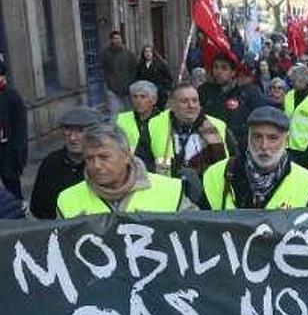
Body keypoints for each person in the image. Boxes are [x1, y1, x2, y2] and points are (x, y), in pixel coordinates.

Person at [56, 123, 196, 218]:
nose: (96, 165)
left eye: (104, 157)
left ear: (127, 156)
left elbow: (197, 235)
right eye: (89, 158)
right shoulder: (67, 200)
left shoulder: (170, 190)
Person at [201, 106, 308, 211]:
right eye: (257, 136)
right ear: (248, 137)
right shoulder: (216, 174)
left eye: (272, 138)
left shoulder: (307, 182)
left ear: (286, 140)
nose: (264, 146)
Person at [144, 83, 236, 181]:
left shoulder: (218, 126)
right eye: (184, 101)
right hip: (169, 189)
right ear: (172, 105)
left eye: (195, 101)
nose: (191, 105)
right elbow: (143, 163)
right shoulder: (154, 125)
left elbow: (233, 162)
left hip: (208, 189)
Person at [30, 108, 103, 219]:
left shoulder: (103, 165)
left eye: (80, 130)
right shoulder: (50, 163)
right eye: (68, 129)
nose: (72, 138)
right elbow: (38, 208)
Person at [198, 53, 265, 150]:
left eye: (224, 68)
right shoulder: (204, 90)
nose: (218, 71)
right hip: (211, 144)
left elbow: (260, 117)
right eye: (215, 67)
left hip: (240, 146)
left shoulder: (247, 91)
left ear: (233, 72)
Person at [117, 81, 162, 167]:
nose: (138, 101)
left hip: (157, 168)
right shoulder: (121, 119)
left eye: (143, 97)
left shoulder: (163, 120)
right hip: (130, 167)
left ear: (154, 100)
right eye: (135, 97)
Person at [0, 60, 28, 198]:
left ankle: (17, 215)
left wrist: (19, 153)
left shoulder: (11, 95)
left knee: (12, 189)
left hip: (8, 152)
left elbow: (20, 126)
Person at [100, 30, 138, 119]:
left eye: (119, 38)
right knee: (115, 113)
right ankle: (115, 131)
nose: (117, 40)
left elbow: (134, 69)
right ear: (111, 40)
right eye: (115, 38)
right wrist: (109, 82)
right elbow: (103, 69)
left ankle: (130, 130)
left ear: (122, 39)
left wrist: (131, 82)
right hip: (113, 89)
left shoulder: (129, 54)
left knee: (129, 112)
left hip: (127, 89)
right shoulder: (106, 54)